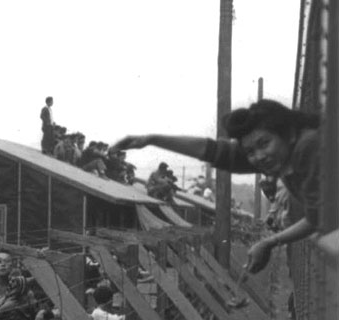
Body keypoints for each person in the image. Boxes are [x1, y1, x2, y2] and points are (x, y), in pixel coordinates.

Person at [113, 99, 322, 273]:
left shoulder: (308, 147)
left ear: (289, 133)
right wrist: (153, 139)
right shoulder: (289, 151)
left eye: (264, 143)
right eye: (250, 152)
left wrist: (270, 242)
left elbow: (317, 218)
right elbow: (217, 152)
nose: (258, 157)